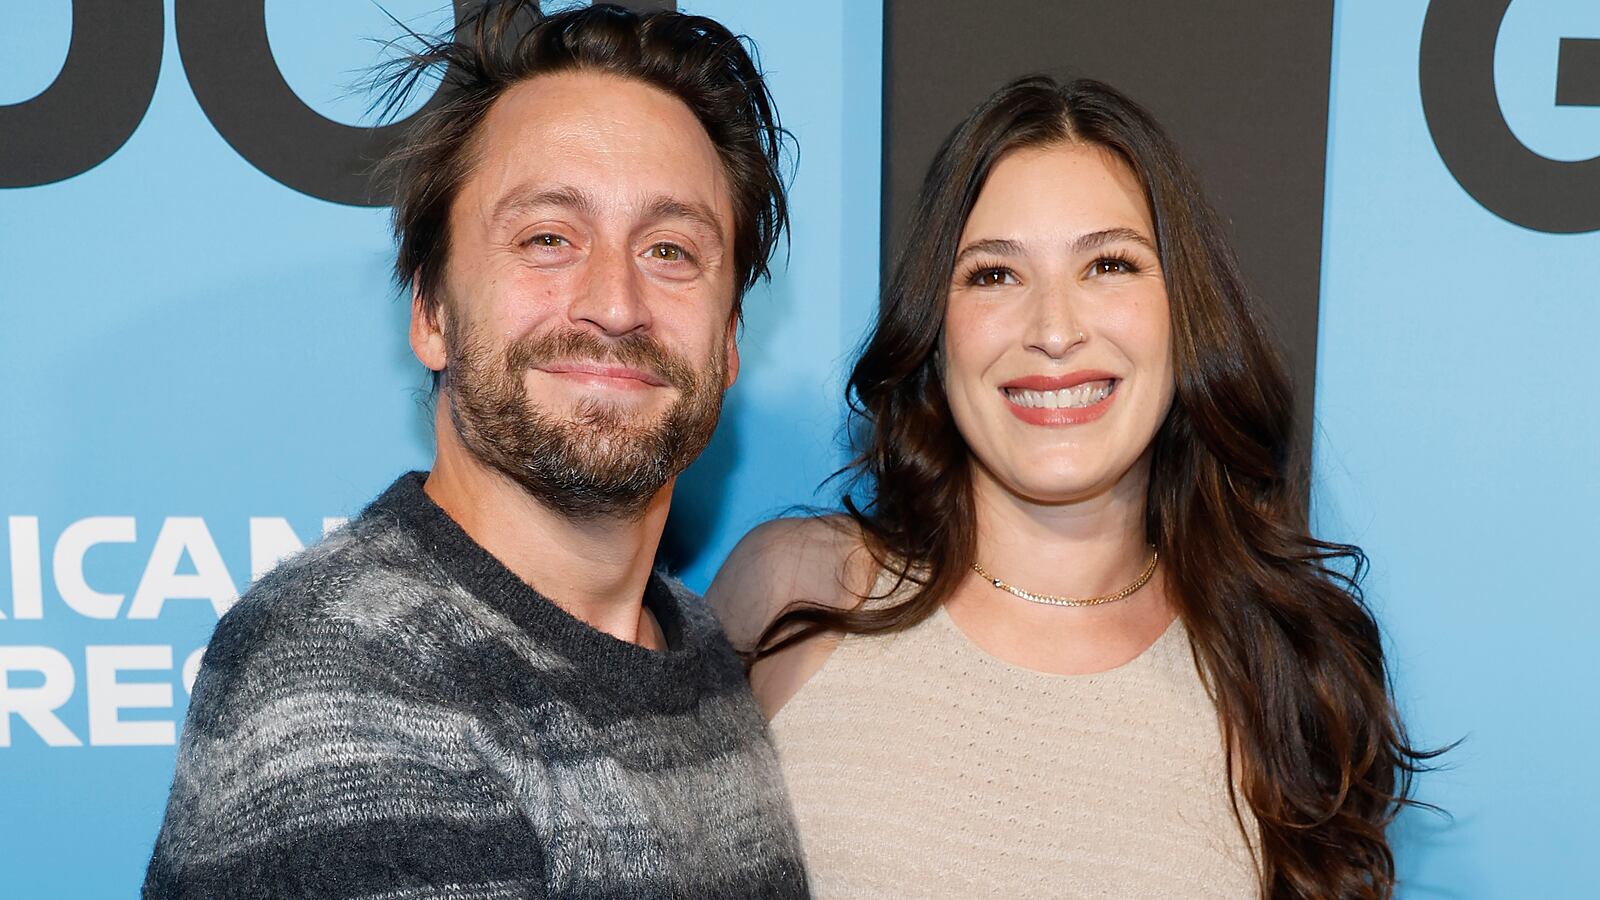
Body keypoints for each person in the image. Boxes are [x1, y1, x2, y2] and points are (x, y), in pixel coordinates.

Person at [709, 75, 1434, 899]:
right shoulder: (795, 589)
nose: (1054, 329)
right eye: (993, 275)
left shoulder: (1276, 672)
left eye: (1109, 264)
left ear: (1185, 316)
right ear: (934, 330)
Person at [143, 3, 808, 897]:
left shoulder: (691, 641)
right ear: (432, 313)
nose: (614, 302)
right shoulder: (349, 681)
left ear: (728, 339)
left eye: (670, 249)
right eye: (547, 238)